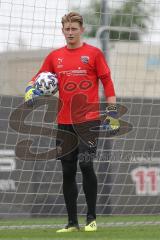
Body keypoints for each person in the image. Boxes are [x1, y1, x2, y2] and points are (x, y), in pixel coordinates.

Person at [24, 12, 120, 232]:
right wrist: (30, 90)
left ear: (82, 30)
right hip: (64, 122)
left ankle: (91, 218)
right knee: (67, 171)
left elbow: (108, 83)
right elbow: (38, 77)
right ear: (63, 31)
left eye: (74, 29)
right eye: (66, 29)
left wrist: (112, 113)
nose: (70, 33)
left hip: (89, 121)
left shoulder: (94, 54)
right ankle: (71, 223)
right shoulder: (54, 56)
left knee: (86, 164)